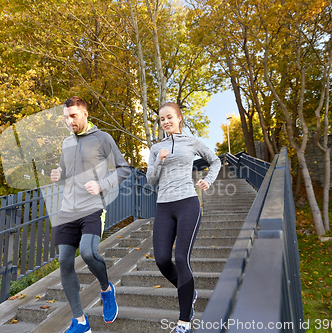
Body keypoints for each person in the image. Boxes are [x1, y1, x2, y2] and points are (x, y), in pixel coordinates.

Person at [50, 96, 131, 333]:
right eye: (66, 117)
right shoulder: (66, 143)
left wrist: (102, 185)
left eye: (73, 116)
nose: (69, 121)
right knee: (64, 261)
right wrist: (58, 175)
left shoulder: (102, 138)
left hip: (92, 207)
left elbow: (124, 168)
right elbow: (67, 174)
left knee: (87, 252)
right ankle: (80, 321)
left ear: (85, 114)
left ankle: (106, 289)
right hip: (67, 210)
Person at [146, 102, 221, 333]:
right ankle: (189, 291)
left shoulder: (192, 141)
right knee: (161, 259)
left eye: (169, 117)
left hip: (188, 203)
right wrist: (159, 159)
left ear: (179, 118)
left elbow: (215, 160)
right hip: (164, 207)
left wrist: (208, 180)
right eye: (161, 119)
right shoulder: (156, 148)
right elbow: (150, 179)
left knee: (181, 258)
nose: (165, 122)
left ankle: (184, 323)